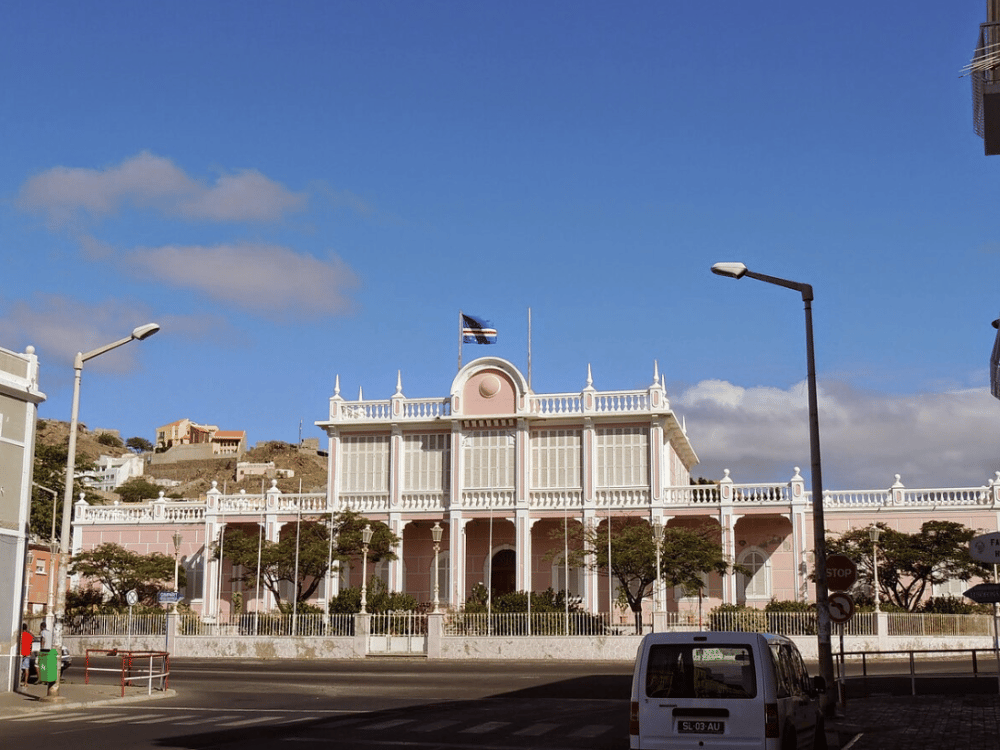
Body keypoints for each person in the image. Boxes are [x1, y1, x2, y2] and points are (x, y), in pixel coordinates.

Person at [19, 623, 33, 688]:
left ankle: (18, 682)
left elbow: (20, 643)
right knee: (26, 668)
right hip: (28, 653)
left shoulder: (21, 635)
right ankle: (25, 683)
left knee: (20, 669)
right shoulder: (29, 635)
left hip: (21, 653)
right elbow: (31, 645)